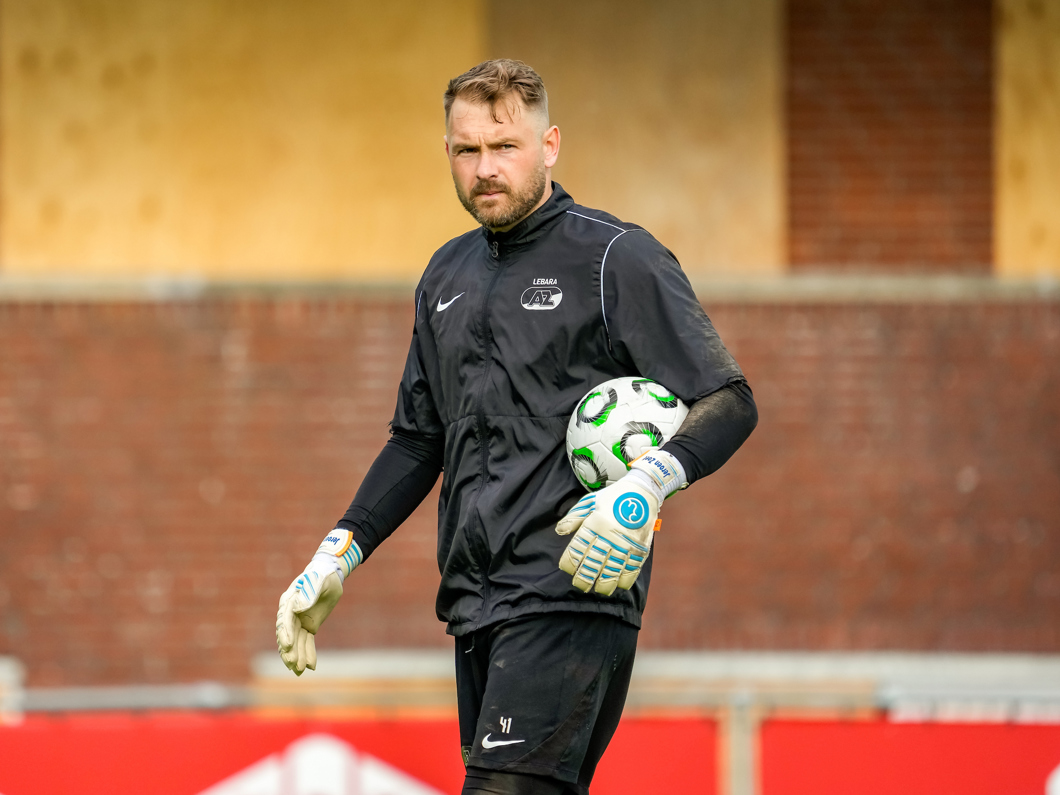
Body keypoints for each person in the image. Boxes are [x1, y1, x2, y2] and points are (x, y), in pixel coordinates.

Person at [276, 59, 758, 795]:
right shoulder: (445, 275)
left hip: (573, 592)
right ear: (447, 152)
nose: (485, 169)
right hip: (474, 606)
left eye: (505, 147)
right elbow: (418, 440)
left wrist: (644, 488)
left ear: (550, 145)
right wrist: (337, 553)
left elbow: (728, 399)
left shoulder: (614, 257)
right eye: (467, 150)